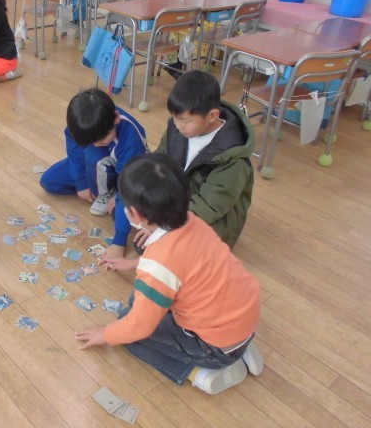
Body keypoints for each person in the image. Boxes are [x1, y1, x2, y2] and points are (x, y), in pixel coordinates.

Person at [76, 153, 263, 395]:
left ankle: (202, 374)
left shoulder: (158, 264)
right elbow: (182, 262)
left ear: (136, 215)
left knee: (127, 330)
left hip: (213, 346)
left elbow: (139, 327)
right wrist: (134, 263)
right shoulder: (192, 221)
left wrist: (105, 334)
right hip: (242, 318)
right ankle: (239, 348)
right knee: (135, 303)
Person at [136, 70, 254, 251]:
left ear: (212, 116)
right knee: (134, 218)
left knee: (166, 251)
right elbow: (158, 163)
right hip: (179, 204)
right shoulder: (180, 128)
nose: (177, 125)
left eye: (184, 120)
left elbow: (210, 206)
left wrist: (162, 224)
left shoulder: (231, 157)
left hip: (210, 218)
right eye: (175, 118)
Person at [40, 88, 148, 259]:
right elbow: (74, 150)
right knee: (49, 181)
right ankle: (101, 187)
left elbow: (128, 186)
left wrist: (119, 242)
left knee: (95, 155)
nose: (97, 144)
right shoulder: (81, 123)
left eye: (102, 139)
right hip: (98, 165)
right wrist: (81, 183)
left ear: (116, 118)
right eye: (90, 141)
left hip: (130, 170)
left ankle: (109, 191)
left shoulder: (130, 140)